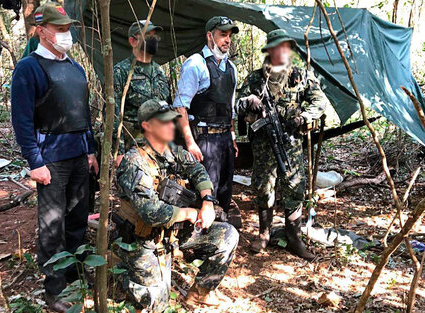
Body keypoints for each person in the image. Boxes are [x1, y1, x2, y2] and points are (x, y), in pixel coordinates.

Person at [10, 3, 98, 312]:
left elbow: (83, 113)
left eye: (67, 28)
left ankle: (74, 274)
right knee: (51, 225)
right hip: (51, 158)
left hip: (77, 155)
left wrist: (89, 150)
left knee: (77, 217)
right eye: (60, 29)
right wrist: (35, 161)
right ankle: (55, 289)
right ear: (41, 31)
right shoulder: (29, 67)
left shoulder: (74, 66)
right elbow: (21, 119)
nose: (66, 34)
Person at [115, 99, 239, 312]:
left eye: (173, 121)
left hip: (172, 233)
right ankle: (123, 272)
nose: (172, 126)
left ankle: (200, 293)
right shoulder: (134, 162)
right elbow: (152, 213)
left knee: (227, 236)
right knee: (158, 303)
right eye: (165, 122)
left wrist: (208, 201)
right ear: (147, 126)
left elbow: (197, 169)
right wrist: (190, 213)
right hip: (144, 239)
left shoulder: (172, 151)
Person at [237, 29, 328, 259]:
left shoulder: (301, 76)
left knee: (294, 186)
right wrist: (249, 101)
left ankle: (294, 237)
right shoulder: (256, 78)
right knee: (263, 186)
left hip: (291, 141)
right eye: (279, 46)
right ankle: (264, 234)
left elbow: (319, 101)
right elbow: (236, 105)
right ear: (269, 50)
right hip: (263, 144)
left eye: (287, 46)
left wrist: (302, 117)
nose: (284, 50)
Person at [173, 16, 241, 228]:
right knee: (204, 192)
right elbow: (180, 106)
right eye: (222, 35)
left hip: (224, 140)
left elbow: (230, 107)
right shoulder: (196, 64)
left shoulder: (231, 68)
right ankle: (198, 239)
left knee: (224, 190)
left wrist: (232, 136)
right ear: (209, 35)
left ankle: (220, 236)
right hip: (204, 140)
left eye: (229, 36)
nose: (227, 40)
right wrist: (190, 142)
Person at [113, 20, 170, 166]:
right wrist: (118, 152)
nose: (153, 40)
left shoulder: (159, 71)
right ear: (133, 41)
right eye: (147, 35)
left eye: (154, 36)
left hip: (158, 146)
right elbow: (113, 113)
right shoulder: (122, 71)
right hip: (132, 146)